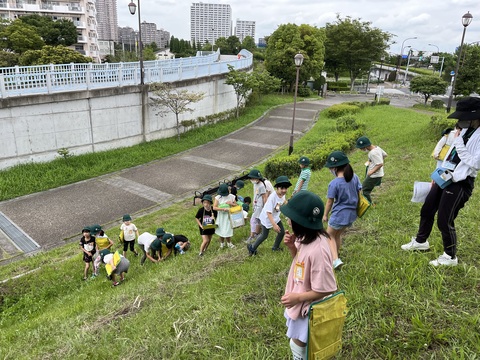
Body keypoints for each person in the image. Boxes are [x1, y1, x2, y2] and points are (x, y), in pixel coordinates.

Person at [401, 97, 480, 266]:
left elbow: (475, 163)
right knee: (427, 208)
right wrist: (437, 175)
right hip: (445, 176)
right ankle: (421, 241)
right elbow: (451, 154)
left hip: (460, 182)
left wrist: (458, 142)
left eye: (463, 117)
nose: (460, 121)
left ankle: (450, 256)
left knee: (445, 219)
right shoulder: (466, 131)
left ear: (474, 117)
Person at [280, 191, 337, 360]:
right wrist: (292, 248)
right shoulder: (305, 238)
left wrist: (298, 298)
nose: (287, 221)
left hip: (310, 309)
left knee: (302, 344)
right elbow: (300, 263)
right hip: (302, 302)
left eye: (290, 218)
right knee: (297, 341)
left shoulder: (318, 250)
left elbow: (326, 289)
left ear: (302, 223)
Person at [322, 151, 362, 269]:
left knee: (328, 236)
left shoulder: (334, 183)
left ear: (334, 168)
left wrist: (325, 215)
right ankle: (336, 255)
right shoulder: (354, 177)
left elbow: (329, 201)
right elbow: (360, 192)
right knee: (337, 235)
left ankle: (335, 260)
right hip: (351, 214)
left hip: (339, 214)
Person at [247, 176, 292, 255]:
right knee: (264, 235)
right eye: (282, 188)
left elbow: (283, 200)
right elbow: (268, 212)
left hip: (275, 217)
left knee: (281, 232)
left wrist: (287, 204)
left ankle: (275, 247)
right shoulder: (272, 198)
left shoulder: (282, 194)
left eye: (286, 188)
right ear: (277, 188)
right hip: (267, 218)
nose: (284, 190)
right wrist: (274, 224)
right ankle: (252, 248)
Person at [356, 136, 387, 204]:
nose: (361, 150)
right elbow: (385, 155)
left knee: (365, 189)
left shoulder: (372, 153)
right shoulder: (377, 148)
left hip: (374, 175)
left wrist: (371, 171)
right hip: (378, 173)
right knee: (366, 187)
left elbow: (380, 164)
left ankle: (369, 204)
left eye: (361, 148)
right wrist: (373, 161)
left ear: (365, 147)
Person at [246, 169, 268, 243]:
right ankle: (257, 234)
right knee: (258, 221)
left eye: (253, 178)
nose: (252, 180)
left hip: (260, 206)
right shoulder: (255, 184)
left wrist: (265, 207)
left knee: (253, 220)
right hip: (256, 205)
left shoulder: (261, 186)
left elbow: (264, 197)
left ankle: (252, 236)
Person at [213, 183, 237, 249]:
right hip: (221, 216)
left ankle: (229, 243)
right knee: (221, 229)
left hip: (229, 216)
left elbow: (237, 206)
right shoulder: (218, 198)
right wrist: (222, 209)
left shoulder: (231, 196)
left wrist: (231, 203)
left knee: (228, 229)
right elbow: (214, 207)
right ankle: (222, 244)